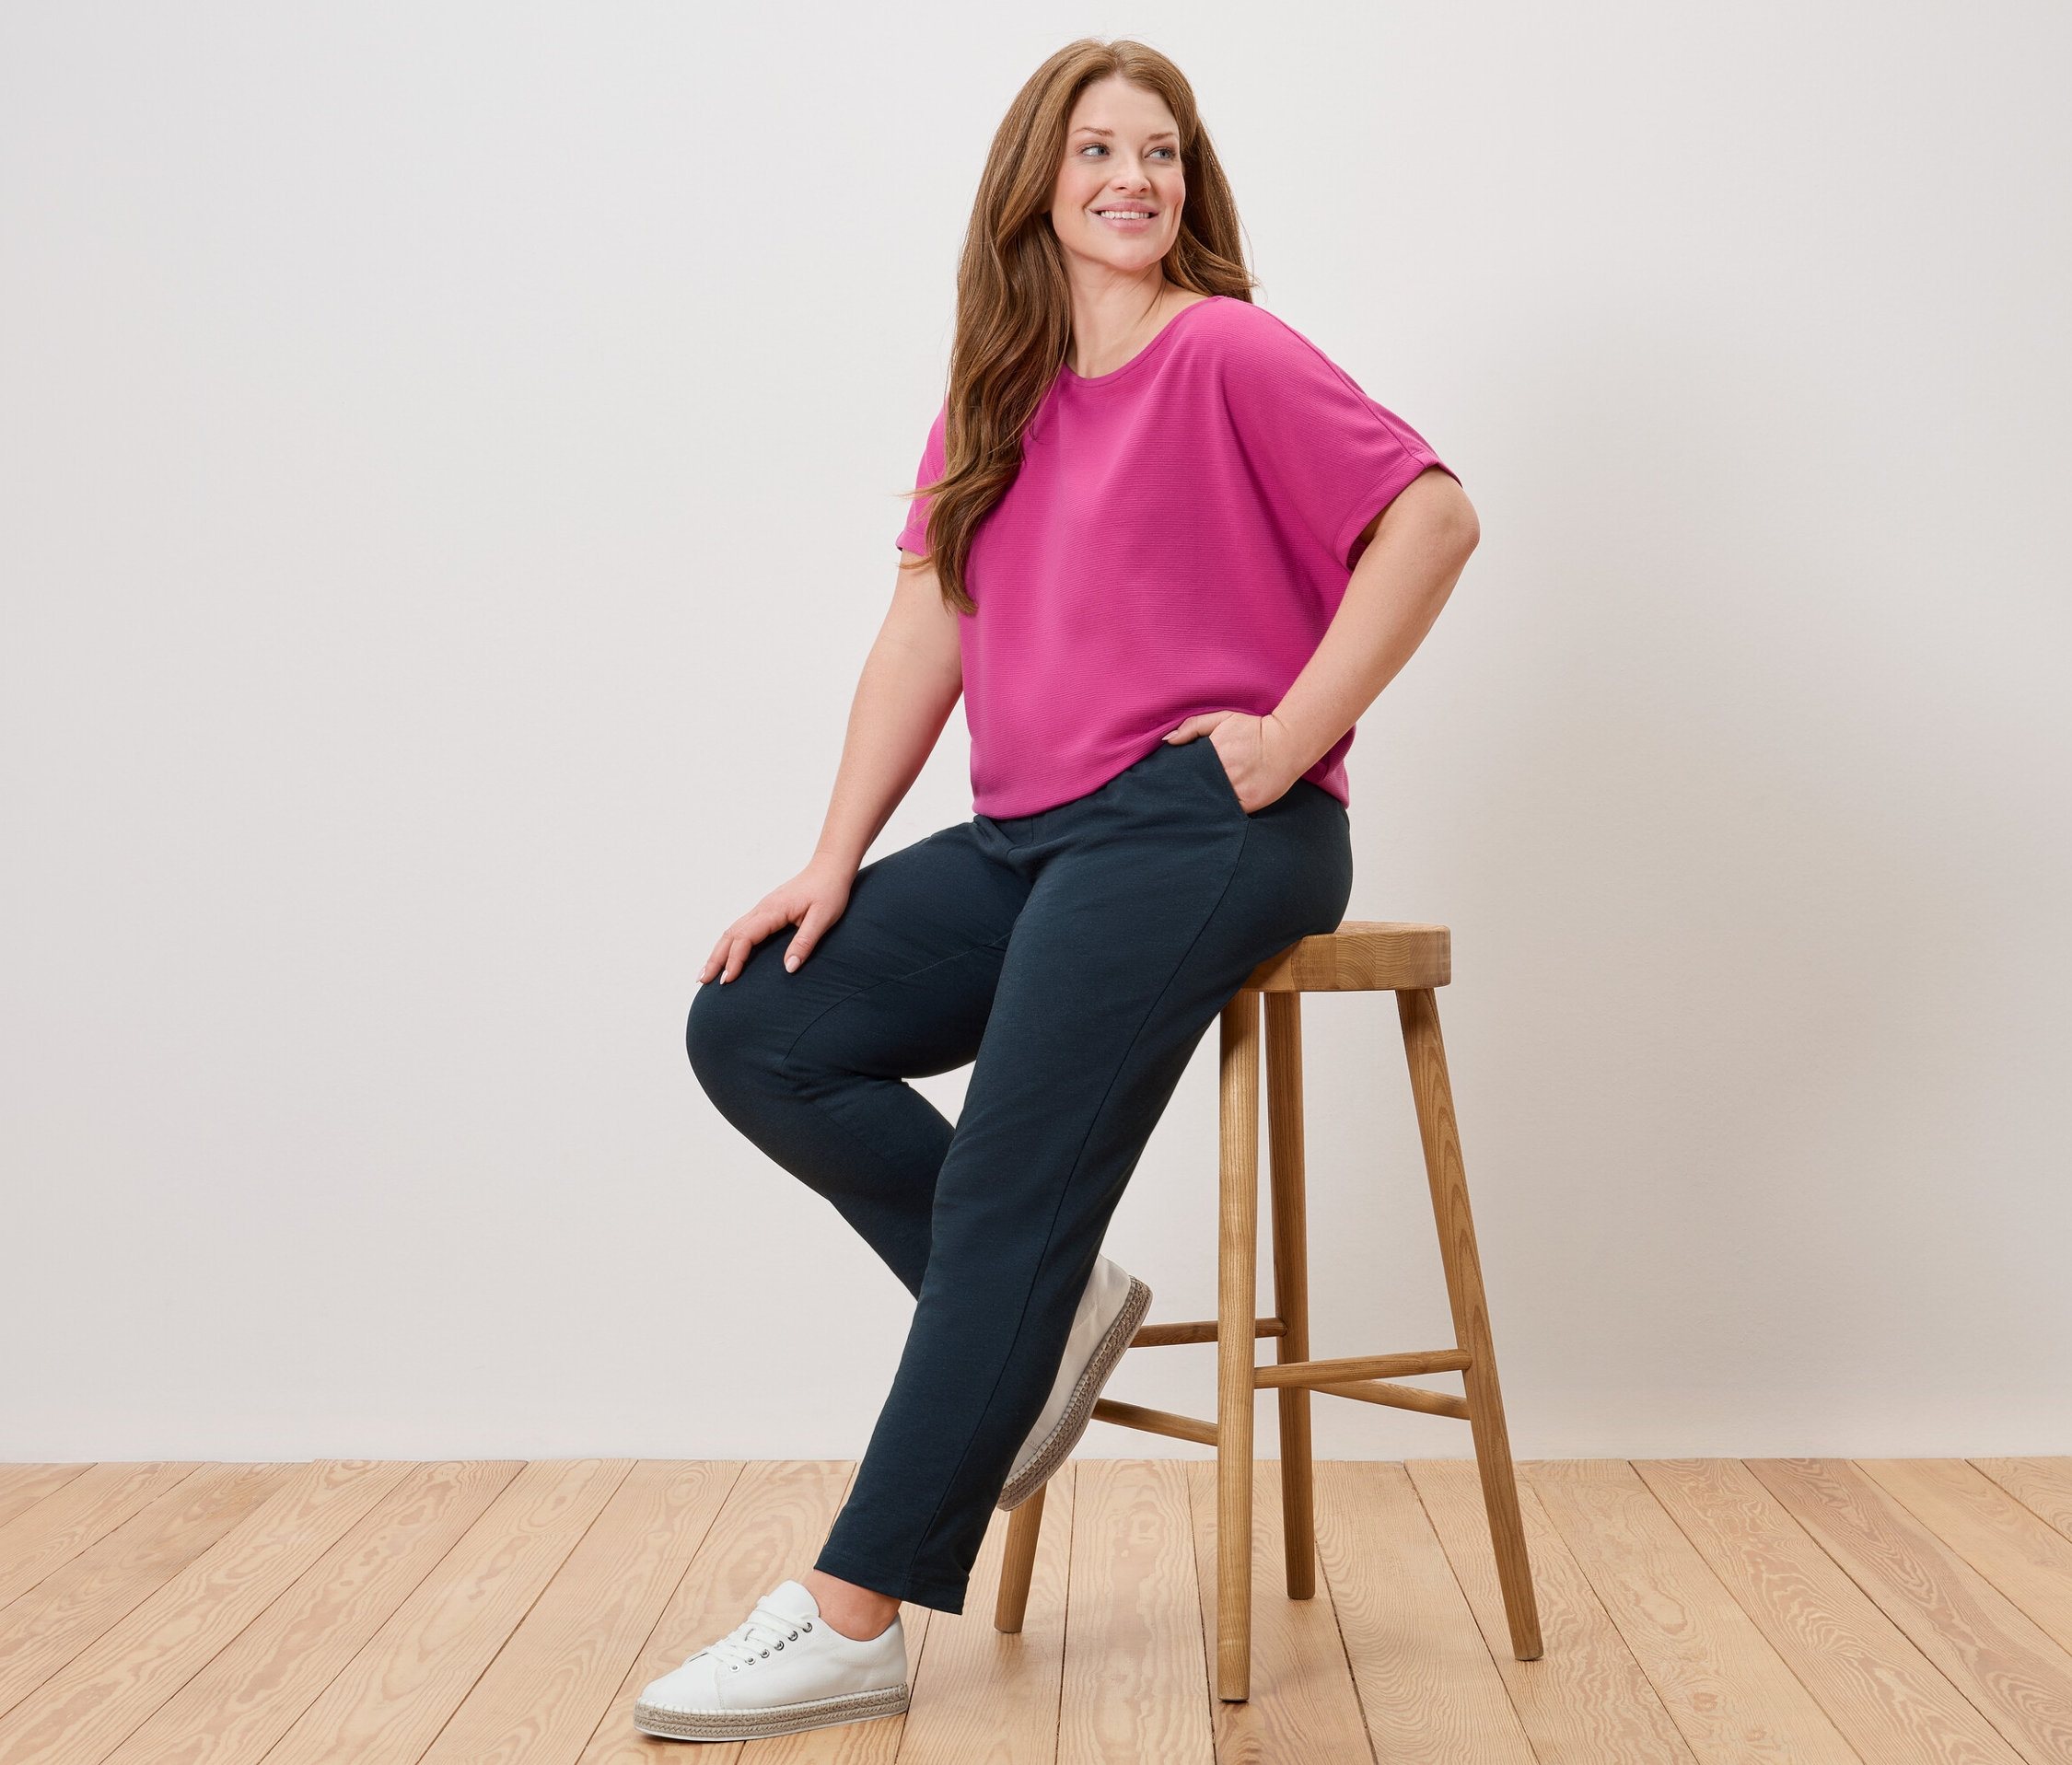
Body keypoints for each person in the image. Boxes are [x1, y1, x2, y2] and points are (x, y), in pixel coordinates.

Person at [634, 37, 1480, 1743]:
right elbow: (923, 631)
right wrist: (834, 856)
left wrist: (1289, 735)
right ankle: (1050, 1319)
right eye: (1097, 147)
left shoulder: (1226, 349)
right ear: (1036, 179)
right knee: (759, 1023)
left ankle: (855, 1607)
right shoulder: (996, 399)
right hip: (1035, 833)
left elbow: (1435, 518)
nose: (1132, 178)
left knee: (1016, 1174)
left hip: (1202, 825)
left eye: (1160, 153)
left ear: (1189, 187)